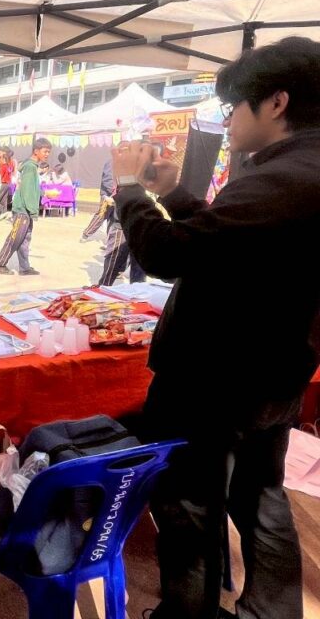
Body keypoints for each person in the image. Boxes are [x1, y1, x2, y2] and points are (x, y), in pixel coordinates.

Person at [113, 36, 320, 619]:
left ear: (276, 102)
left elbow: (168, 253)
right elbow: (225, 245)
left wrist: (128, 189)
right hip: (277, 370)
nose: (227, 121)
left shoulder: (284, 177)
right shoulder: (297, 171)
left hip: (214, 378)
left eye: (233, 107)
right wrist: (172, 192)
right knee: (260, 497)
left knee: (190, 503)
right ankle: (272, 611)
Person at [0, 138, 52, 276]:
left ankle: (25, 267)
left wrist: (44, 193)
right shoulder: (30, 167)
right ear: (36, 151)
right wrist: (33, 211)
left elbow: (31, 187)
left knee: (24, 240)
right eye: (45, 151)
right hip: (22, 209)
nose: (47, 154)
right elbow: (27, 191)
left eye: (49, 152)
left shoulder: (31, 166)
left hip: (25, 209)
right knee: (15, 238)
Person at [80, 159, 115, 242]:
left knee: (114, 219)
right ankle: (86, 234)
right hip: (108, 195)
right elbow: (107, 180)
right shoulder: (112, 163)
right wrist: (113, 193)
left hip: (118, 195)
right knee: (101, 215)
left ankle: (111, 241)